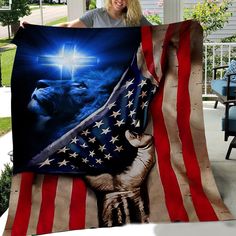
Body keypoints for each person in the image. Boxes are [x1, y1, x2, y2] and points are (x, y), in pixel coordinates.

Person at [58, 0, 151, 28]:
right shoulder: (95, 15)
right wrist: (44, 31)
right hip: (102, 64)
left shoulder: (136, 17)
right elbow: (68, 26)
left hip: (129, 66)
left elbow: (155, 31)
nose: (120, 1)